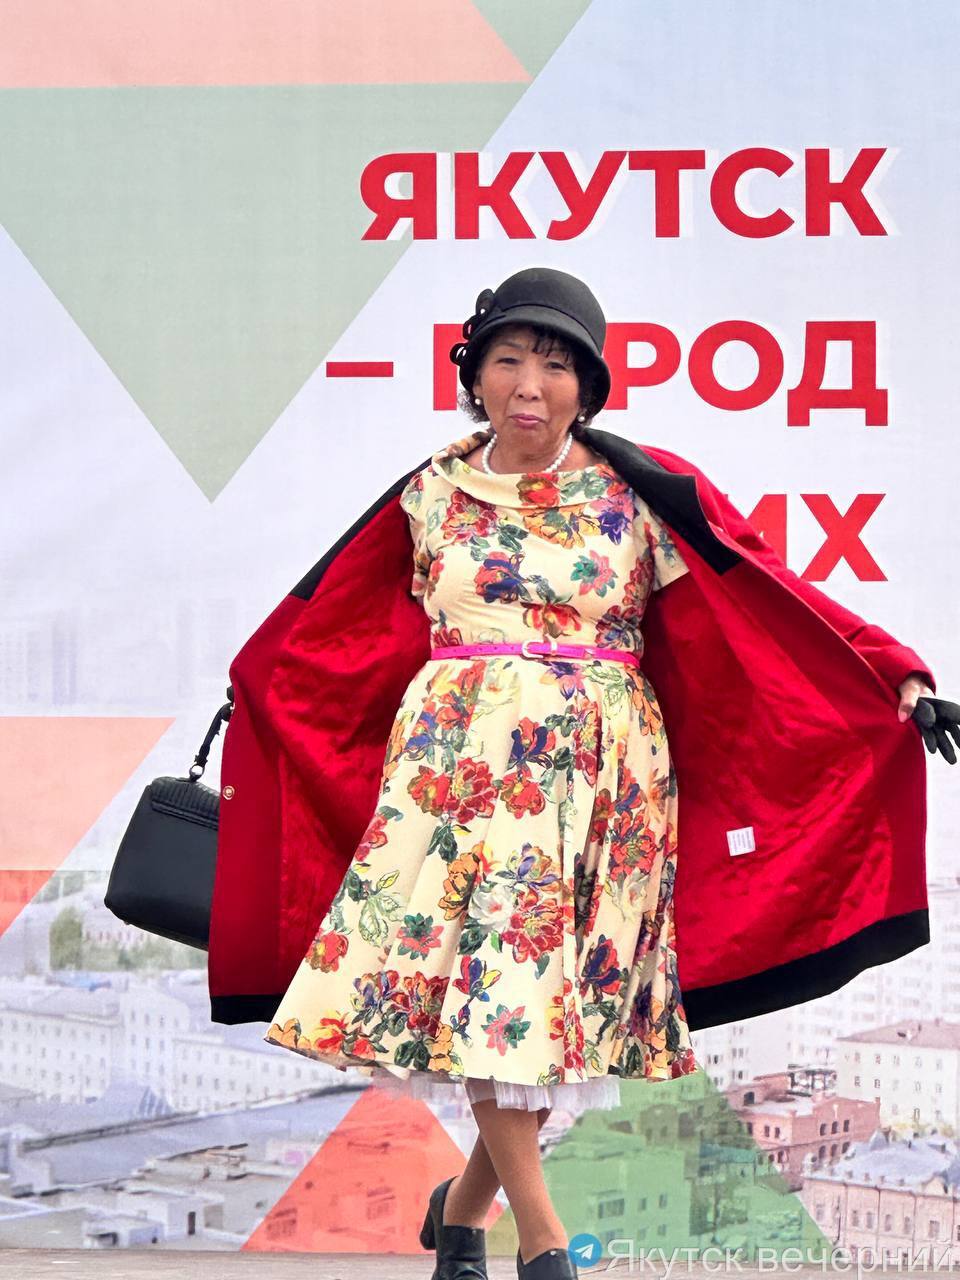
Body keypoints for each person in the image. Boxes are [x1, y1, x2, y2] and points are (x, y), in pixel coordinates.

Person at [256, 266, 948, 1280]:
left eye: (555, 364)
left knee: (553, 1008)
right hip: (460, 770)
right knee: (497, 989)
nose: (530, 384)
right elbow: (334, 634)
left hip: (605, 773)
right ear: (475, 376)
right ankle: (545, 1248)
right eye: (508, 360)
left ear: (588, 384)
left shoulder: (638, 491)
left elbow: (770, 592)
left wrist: (892, 671)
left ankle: (462, 1211)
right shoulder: (428, 492)